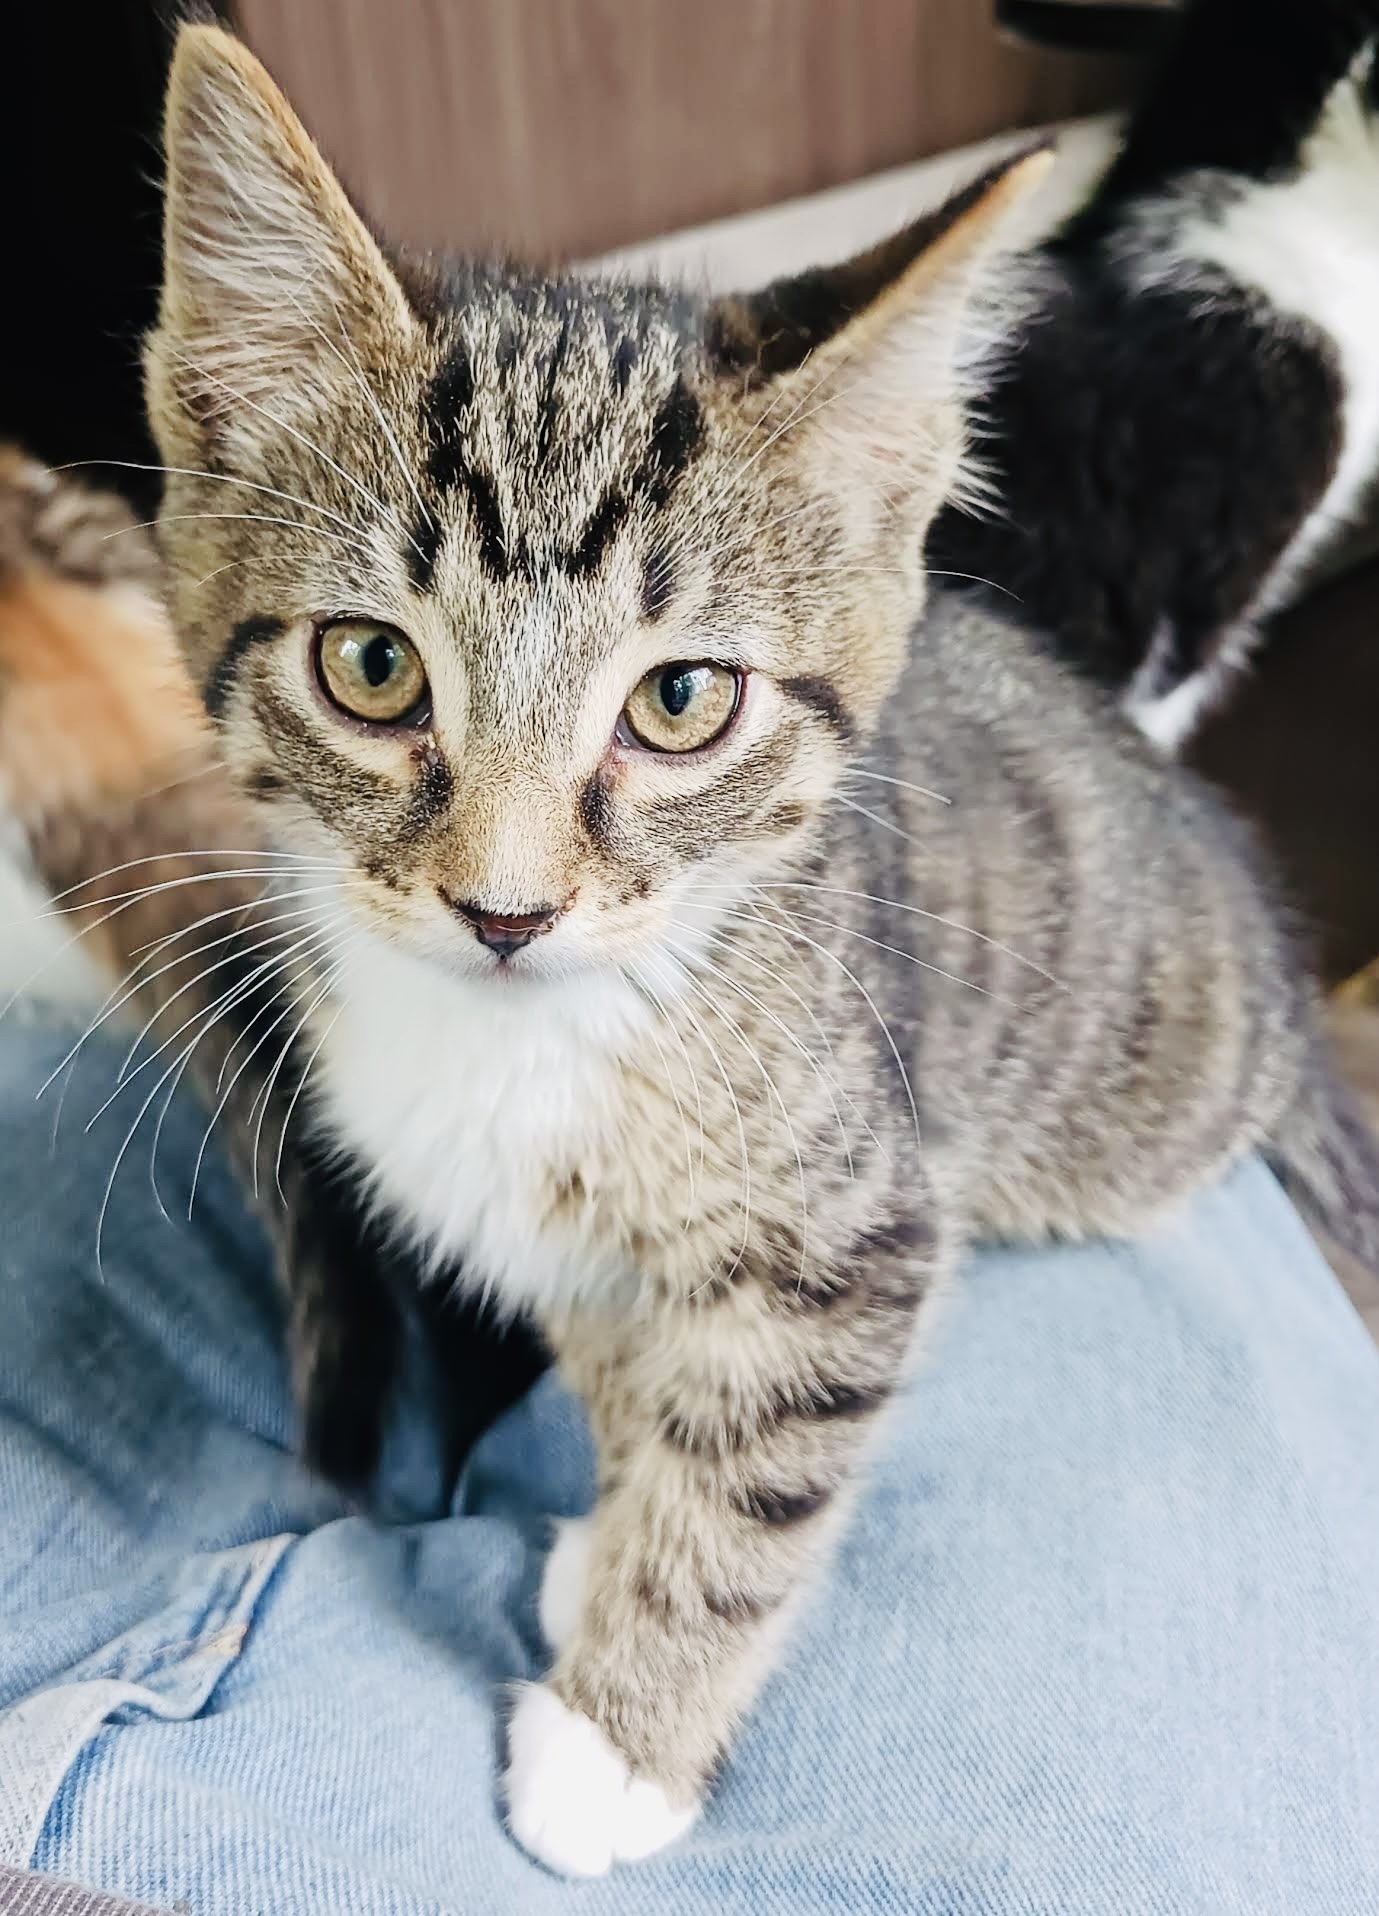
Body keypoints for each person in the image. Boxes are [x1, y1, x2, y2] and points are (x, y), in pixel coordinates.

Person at [1, 1012, 1377, 1916]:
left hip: (1090, 1079)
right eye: (380, 672)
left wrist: (642, 1702)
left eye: (672, 701)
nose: (507, 878)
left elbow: (838, 1281)